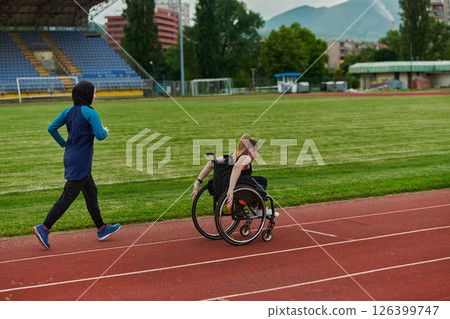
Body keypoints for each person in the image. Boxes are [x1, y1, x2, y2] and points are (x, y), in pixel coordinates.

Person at [33, 80, 120, 249]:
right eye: (93, 92)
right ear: (87, 95)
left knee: (91, 192)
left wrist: (64, 143)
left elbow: (51, 128)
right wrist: (106, 131)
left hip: (71, 156)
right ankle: (43, 228)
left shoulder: (68, 111)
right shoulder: (90, 113)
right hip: (81, 160)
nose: (95, 96)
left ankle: (101, 228)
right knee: (68, 196)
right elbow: (100, 135)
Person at [191, 134, 277, 216]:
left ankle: (245, 206)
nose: (257, 154)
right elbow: (236, 167)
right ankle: (258, 209)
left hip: (225, 184)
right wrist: (230, 190)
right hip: (236, 186)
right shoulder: (246, 157)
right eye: (257, 151)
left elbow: (210, 163)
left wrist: (198, 181)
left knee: (252, 181)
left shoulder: (232, 156)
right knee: (262, 181)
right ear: (251, 150)